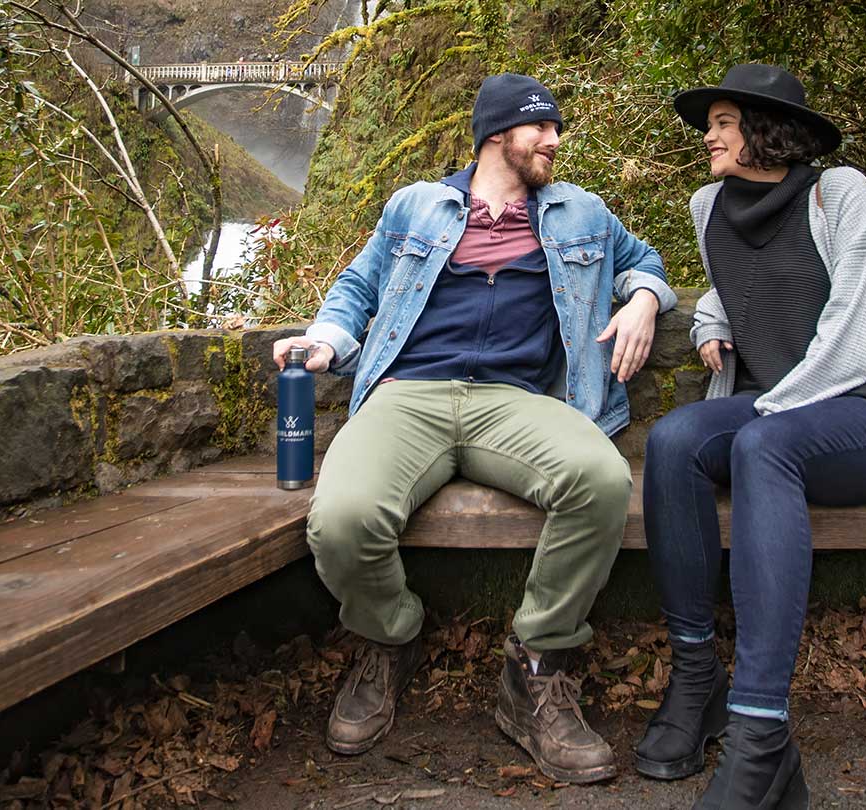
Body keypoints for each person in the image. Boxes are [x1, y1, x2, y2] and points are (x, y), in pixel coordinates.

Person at [271, 73, 676, 783]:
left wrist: (643, 298)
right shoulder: (416, 207)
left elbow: (643, 260)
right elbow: (357, 289)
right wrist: (326, 341)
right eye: (541, 128)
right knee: (341, 520)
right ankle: (390, 636)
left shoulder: (580, 212)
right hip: (408, 395)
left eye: (556, 128)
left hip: (515, 401)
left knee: (601, 481)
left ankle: (536, 666)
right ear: (497, 135)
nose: (555, 140)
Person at [634, 64, 866, 808]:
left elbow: (862, 316)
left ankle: (760, 732)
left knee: (759, 446)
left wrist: (774, 406)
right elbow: (746, 279)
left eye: (720, 120)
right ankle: (696, 681)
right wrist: (712, 318)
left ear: (763, 127)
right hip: (779, 412)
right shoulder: (707, 206)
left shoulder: (840, 192)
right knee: (674, 442)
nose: (706, 135)